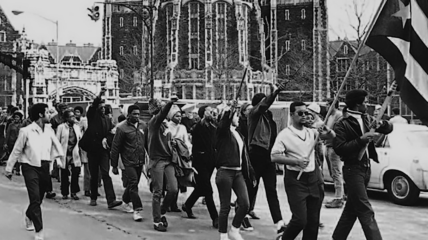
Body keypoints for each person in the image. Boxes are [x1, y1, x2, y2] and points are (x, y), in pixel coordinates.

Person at [332, 90, 393, 240]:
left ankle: (337, 237)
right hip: (352, 169)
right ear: (357, 104)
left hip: (366, 168)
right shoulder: (341, 124)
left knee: (352, 208)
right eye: (365, 102)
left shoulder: (367, 119)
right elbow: (339, 148)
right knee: (365, 210)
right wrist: (361, 140)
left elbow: (389, 128)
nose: (367, 104)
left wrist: (382, 123)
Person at [271, 101, 335, 240]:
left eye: (306, 113)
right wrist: (296, 161)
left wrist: (327, 130)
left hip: (313, 179)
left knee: (313, 222)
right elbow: (274, 156)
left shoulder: (312, 131)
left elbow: (331, 138)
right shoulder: (285, 134)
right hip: (296, 180)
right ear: (292, 114)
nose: (304, 115)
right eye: (300, 113)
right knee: (300, 220)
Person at [4, 103, 64, 240]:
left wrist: (59, 160)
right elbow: (17, 150)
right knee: (35, 197)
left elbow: (56, 146)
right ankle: (39, 230)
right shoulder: (26, 131)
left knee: (40, 197)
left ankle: (29, 214)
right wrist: (9, 168)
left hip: (44, 166)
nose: (50, 114)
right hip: (29, 166)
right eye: (47, 112)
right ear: (40, 115)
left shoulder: (49, 130)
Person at [246, 82, 287, 233]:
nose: (267, 103)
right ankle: (243, 214)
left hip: (268, 156)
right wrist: (275, 93)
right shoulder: (254, 114)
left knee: (271, 189)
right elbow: (264, 105)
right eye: (263, 101)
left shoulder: (269, 117)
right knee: (252, 187)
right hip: (256, 154)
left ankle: (279, 222)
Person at [215, 101, 256, 240]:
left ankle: (234, 229)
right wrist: (229, 110)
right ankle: (223, 234)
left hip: (238, 173)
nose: (238, 118)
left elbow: (244, 157)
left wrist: (250, 173)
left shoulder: (238, 134)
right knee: (225, 206)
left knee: (245, 203)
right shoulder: (223, 133)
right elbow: (223, 124)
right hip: (225, 172)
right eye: (236, 115)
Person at [182, 105, 219, 228]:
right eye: (209, 111)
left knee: (201, 187)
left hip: (211, 161)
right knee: (208, 190)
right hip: (200, 161)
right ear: (203, 113)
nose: (212, 113)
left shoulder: (214, 127)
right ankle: (215, 217)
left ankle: (188, 205)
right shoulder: (197, 127)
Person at [85, 88, 122, 209]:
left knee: (106, 173)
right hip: (93, 150)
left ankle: (111, 200)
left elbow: (112, 132)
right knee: (94, 174)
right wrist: (99, 94)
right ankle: (93, 197)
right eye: (99, 107)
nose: (102, 109)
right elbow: (93, 105)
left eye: (103, 107)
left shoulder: (107, 120)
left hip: (104, 150)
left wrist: (107, 138)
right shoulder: (92, 117)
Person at [110, 105, 148, 222]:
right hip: (128, 161)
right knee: (133, 183)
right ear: (129, 114)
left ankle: (125, 200)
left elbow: (146, 142)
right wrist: (114, 165)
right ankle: (137, 209)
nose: (137, 116)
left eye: (138, 114)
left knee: (133, 183)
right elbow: (115, 148)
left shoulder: (143, 125)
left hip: (140, 160)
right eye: (134, 114)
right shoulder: (122, 128)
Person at [147, 97, 178, 232]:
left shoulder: (165, 124)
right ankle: (156, 220)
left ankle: (162, 211)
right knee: (158, 192)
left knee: (173, 189)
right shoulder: (154, 122)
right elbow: (162, 114)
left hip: (168, 160)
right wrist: (170, 103)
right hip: (157, 161)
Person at [165, 105, 192, 212]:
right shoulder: (166, 126)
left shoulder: (183, 128)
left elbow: (187, 143)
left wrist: (188, 154)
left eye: (180, 116)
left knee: (178, 179)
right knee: (171, 182)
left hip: (180, 158)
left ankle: (174, 204)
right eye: (176, 116)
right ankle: (167, 203)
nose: (179, 118)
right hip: (169, 156)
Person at [323, 99, 345, 209]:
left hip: (334, 147)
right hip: (327, 145)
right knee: (333, 173)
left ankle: (339, 198)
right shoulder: (329, 116)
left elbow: (337, 133)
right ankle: (340, 194)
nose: (326, 107)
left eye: (328, 105)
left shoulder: (338, 116)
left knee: (336, 173)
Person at [56, 110, 82, 200]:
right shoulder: (61, 127)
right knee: (64, 174)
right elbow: (57, 141)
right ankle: (65, 192)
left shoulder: (77, 127)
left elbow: (80, 139)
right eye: (71, 116)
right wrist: (57, 156)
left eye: (73, 116)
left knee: (75, 173)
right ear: (66, 118)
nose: (73, 118)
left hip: (75, 153)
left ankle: (74, 192)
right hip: (64, 153)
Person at [4, 111, 24, 175]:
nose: (16, 119)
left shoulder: (22, 126)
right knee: (11, 155)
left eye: (17, 117)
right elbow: (8, 134)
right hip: (11, 142)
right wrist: (5, 143)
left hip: (18, 142)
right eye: (15, 117)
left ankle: (18, 170)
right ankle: (11, 168)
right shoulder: (10, 125)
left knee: (18, 156)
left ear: (20, 118)